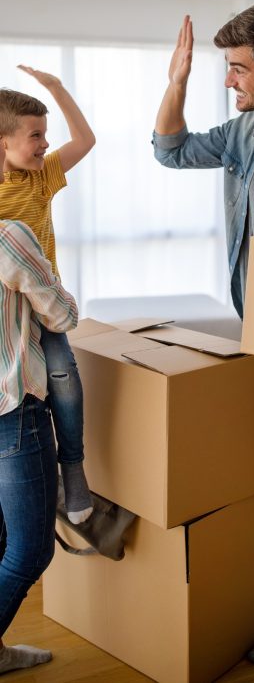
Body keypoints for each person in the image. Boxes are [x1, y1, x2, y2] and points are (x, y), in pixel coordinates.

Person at [153, 2, 254, 669]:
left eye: (237, 69)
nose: (228, 81)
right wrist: (176, 79)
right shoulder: (245, 135)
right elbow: (171, 151)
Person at [0, 69, 96, 525]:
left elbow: (85, 140)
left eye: (45, 134)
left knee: (63, 375)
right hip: (8, 317)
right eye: (35, 135)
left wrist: (57, 90)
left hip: (45, 309)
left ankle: (72, 467)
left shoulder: (41, 177)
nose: (44, 143)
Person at [0, 208, 78, 673]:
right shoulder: (10, 236)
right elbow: (63, 314)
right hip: (14, 411)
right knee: (30, 548)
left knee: (2, 538)